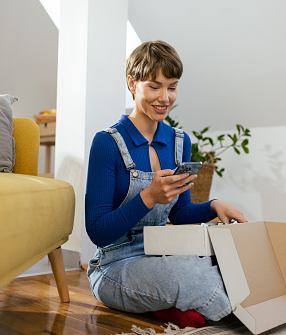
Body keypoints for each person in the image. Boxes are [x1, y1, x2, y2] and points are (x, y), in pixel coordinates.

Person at [85, 40, 247, 328]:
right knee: (190, 275)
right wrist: (147, 197)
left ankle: (185, 308)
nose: (164, 98)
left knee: (225, 261)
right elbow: (98, 232)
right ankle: (248, 306)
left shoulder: (179, 142)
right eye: (154, 86)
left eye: (171, 87)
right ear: (132, 83)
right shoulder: (106, 143)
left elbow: (179, 214)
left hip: (162, 254)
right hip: (115, 266)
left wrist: (213, 205)